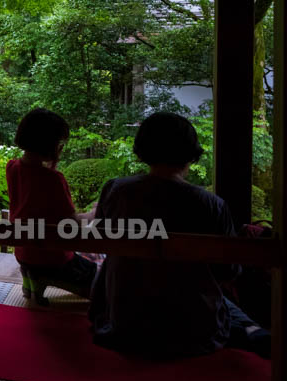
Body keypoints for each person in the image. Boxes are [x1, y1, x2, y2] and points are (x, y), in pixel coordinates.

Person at [89, 112, 270, 358]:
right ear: (190, 152)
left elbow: (101, 239)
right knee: (221, 302)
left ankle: (249, 329)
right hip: (193, 332)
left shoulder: (116, 190)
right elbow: (228, 272)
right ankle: (252, 330)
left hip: (123, 322)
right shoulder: (211, 204)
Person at [6, 108, 97, 305]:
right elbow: (72, 222)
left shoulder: (12, 167)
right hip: (52, 259)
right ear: (50, 144)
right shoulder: (54, 179)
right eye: (59, 143)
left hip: (23, 252)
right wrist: (92, 214)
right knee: (101, 280)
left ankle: (32, 279)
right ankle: (43, 276)